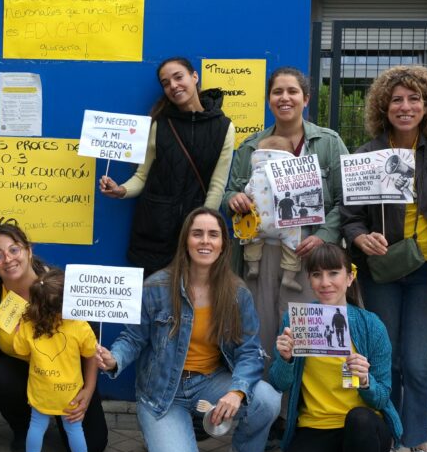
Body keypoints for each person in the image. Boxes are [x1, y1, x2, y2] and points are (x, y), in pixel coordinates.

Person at [95, 208, 280, 452]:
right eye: (197, 234)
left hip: (210, 383)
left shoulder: (236, 293)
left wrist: (237, 392)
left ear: (222, 244)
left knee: (266, 399)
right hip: (161, 394)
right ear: (186, 241)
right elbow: (133, 338)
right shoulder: (157, 286)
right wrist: (113, 359)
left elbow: (249, 351)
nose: (205, 241)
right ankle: (168, 438)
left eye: (213, 235)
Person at [339, 65, 427, 452]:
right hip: (384, 271)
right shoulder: (367, 153)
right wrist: (360, 239)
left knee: (417, 364)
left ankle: (420, 444)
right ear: (383, 107)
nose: (405, 106)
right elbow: (349, 217)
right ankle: (389, 439)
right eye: (397, 100)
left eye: (414, 99)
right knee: (385, 360)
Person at [265, 244, 401, 452]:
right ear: (309, 280)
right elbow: (278, 383)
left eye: (333, 273)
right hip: (315, 429)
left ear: (350, 278)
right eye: (316, 274)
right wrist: (285, 359)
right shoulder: (297, 321)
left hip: (365, 431)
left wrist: (365, 381)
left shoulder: (370, 325)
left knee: (360, 419)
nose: (325, 282)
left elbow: (382, 397)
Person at [0, 223, 109, 452]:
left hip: (70, 376)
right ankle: (26, 426)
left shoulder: (57, 285)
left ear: (29, 250)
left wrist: (88, 390)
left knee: (93, 447)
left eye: (14, 250)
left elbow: (90, 346)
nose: (8, 259)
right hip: (27, 377)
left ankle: (57, 417)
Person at [223, 67, 349, 354]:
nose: (285, 98)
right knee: (261, 332)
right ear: (269, 100)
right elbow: (230, 191)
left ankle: (300, 399)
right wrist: (234, 199)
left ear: (305, 99)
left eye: (292, 91)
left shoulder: (328, 143)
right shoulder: (251, 146)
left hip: (309, 251)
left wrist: (324, 236)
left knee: (306, 334)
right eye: (277, 92)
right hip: (260, 254)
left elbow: (348, 201)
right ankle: (265, 398)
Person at [99, 57, 235, 275]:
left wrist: (202, 229)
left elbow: (217, 185)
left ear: (194, 76)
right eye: (166, 82)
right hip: (153, 233)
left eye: (178, 77)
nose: (173, 85)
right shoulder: (159, 124)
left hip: (192, 236)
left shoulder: (223, 127)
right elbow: (142, 176)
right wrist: (121, 190)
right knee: (152, 303)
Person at [12, 272, 103, 452]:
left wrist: (18, 329)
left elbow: (20, 350)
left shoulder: (28, 324)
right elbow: (90, 351)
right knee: (74, 427)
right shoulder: (78, 323)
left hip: (41, 391)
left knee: (36, 424)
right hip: (70, 391)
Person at [239, 135, 303, 293]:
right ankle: (289, 276)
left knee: (252, 239)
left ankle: (253, 266)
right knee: (293, 246)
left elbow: (247, 191)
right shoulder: (292, 176)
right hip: (287, 224)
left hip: (260, 221)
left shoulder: (257, 175)